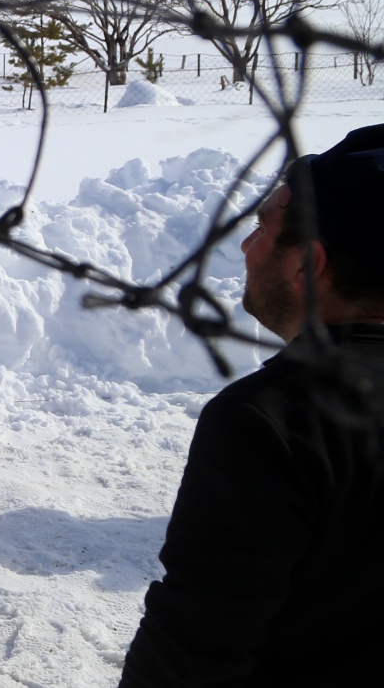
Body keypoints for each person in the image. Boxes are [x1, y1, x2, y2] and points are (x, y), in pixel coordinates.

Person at [120, 124, 384, 687]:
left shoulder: (272, 420)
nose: (246, 246)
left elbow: (189, 656)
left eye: (263, 227)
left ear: (308, 264)